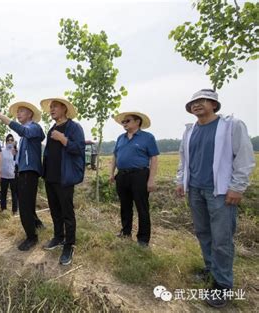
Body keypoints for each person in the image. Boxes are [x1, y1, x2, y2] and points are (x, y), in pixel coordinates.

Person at [176, 89, 255, 308]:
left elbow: (244, 157)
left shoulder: (231, 126)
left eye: (202, 101)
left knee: (222, 238)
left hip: (219, 191)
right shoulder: (190, 131)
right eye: (193, 102)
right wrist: (180, 181)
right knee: (203, 232)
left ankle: (223, 284)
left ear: (214, 104)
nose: (197, 105)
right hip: (195, 189)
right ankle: (211, 269)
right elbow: (184, 158)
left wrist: (237, 187)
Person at [0, 102, 45, 251]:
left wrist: (1, 117)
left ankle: (31, 237)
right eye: (17, 112)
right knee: (27, 203)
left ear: (30, 114)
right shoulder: (25, 136)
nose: (18, 114)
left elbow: (22, 130)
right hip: (23, 172)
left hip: (29, 173)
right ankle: (38, 224)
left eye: (21, 111)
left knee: (24, 207)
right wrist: (16, 156)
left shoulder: (34, 128)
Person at [40, 97, 85, 266]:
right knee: (54, 210)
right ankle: (58, 237)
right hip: (50, 177)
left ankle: (69, 245)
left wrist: (63, 139)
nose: (51, 110)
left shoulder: (74, 127)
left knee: (67, 212)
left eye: (55, 107)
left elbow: (79, 149)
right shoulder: (52, 128)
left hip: (65, 178)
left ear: (64, 109)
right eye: (50, 107)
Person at [109, 111, 159, 248]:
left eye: (128, 121)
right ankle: (125, 232)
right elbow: (115, 156)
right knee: (125, 206)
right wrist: (111, 173)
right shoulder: (120, 138)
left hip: (140, 176)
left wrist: (151, 179)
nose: (124, 124)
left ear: (137, 122)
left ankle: (143, 239)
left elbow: (154, 158)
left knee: (142, 207)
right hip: (122, 176)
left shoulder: (147, 138)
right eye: (123, 122)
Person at [0, 134, 18, 214]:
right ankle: (3, 208)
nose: (10, 141)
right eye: (8, 140)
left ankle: (14, 210)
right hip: (3, 175)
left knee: (14, 193)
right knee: (3, 192)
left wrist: (15, 149)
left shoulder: (16, 151)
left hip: (13, 175)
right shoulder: (2, 151)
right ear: (6, 141)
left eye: (11, 140)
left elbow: (17, 162)